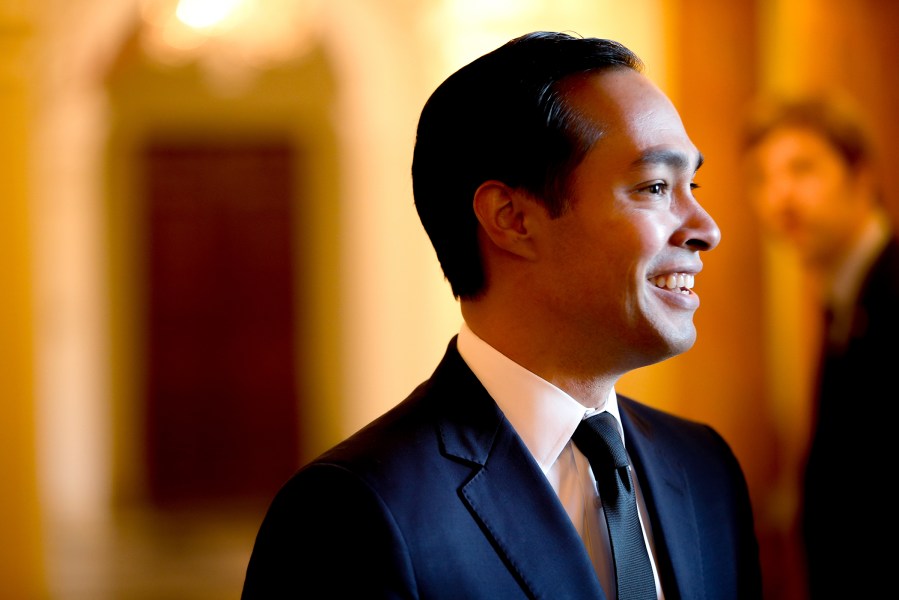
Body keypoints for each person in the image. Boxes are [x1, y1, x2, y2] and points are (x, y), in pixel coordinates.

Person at [242, 31, 762, 599]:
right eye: (655, 186)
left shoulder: (702, 468)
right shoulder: (349, 513)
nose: (706, 229)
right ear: (512, 218)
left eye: (694, 184)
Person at [742, 93, 899, 599]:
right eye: (763, 178)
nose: (780, 196)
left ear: (863, 176)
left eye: (802, 169)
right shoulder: (842, 299)